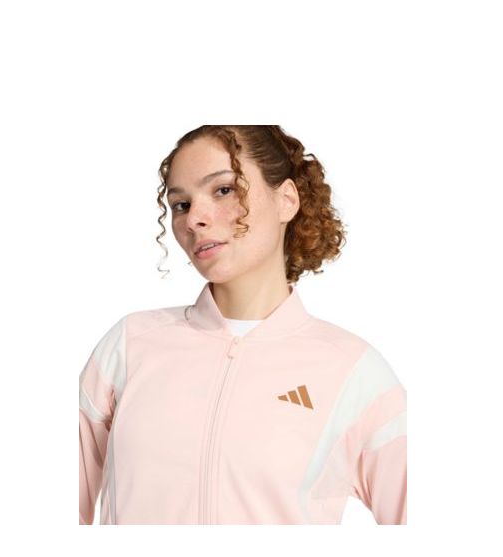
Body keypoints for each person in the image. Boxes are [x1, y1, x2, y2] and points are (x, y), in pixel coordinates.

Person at [79, 125, 407, 525]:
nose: (194, 219)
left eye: (223, 190)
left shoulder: (353, 372)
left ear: (286, 200)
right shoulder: (130, 346)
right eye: (181, 204)